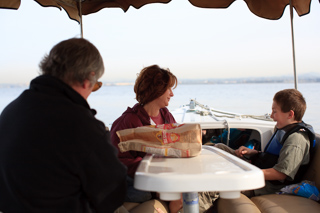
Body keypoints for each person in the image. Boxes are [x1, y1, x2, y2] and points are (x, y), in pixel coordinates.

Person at [0, 38, 127, 212]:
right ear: (88, 78)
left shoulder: (10, 112)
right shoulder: (81, 125)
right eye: (95, 84)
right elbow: (114, 192)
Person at [215, 89, 315, 196]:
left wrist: (247, 173)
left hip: (267, 185)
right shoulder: (282, 129)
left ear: (290, 114)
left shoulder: (296, 139)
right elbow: (273, 157)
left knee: (219, 185)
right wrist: (254, 153)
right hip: (260, 169)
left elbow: (280, 174)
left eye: (275, 111)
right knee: (219, 148)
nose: (271, 116)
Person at [110, 65, 182, 212]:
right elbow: (118, 162)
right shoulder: (128, 122)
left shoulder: (166, 116)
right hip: (138, 180)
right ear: (157, 89)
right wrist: (154, 169)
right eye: (169, 89)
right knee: (142, 194)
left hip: (163, 177)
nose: (172, 94)